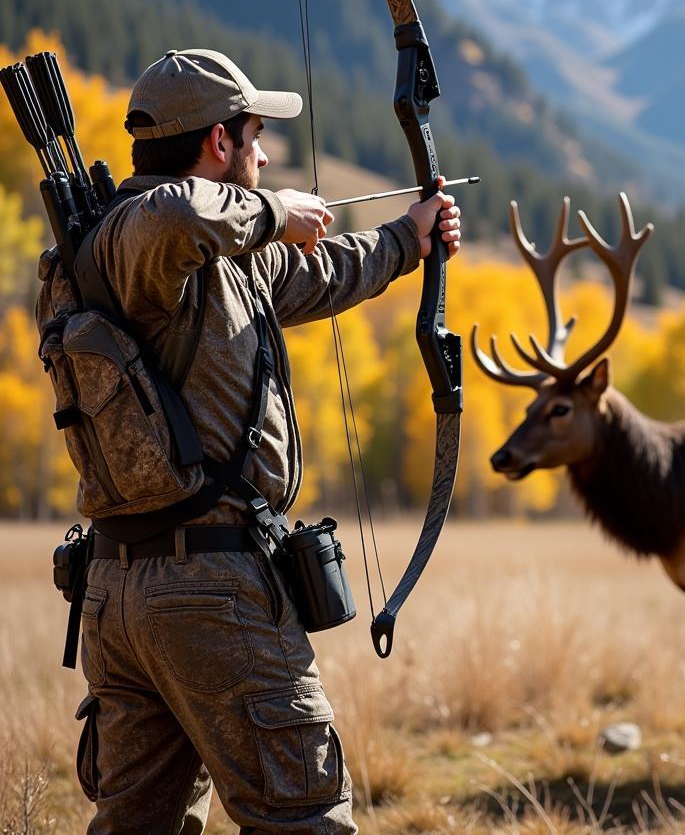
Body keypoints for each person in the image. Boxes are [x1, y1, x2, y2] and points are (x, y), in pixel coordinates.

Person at [74, 48, 461, 834]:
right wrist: (275, 211)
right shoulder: (139, 241)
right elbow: (180, 216)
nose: (263, 151)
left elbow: (323, 273)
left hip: (126, 592)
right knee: (303, 819)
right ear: (218, 144)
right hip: (208, 589)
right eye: (254, 135)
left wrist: (409, 238)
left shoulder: (221, 261)